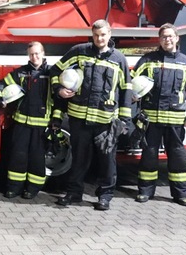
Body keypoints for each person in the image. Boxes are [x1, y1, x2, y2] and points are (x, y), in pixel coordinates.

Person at [51, 19, 132, 211]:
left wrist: (124, 120)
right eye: (96, 35)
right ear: (92, 34)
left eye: (103, 35)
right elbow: (56, 70)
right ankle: (74, 193)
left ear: (109, 35)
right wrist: (59, 88)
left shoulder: (119, 59)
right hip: (79, 118)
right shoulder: (79, 51)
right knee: (79, 159)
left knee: (107, 161)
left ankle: (105, 196)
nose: (99, 38)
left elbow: (125, 89)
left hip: (106, 121)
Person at [131, 23, 186, 206]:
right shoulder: (147, 60)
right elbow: (132, 83)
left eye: (170, 36)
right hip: (151, 120)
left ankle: (180, 195)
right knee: (149, 156)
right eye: (163, 37)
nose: (167, 40)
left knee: (178, 158)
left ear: (177, 38)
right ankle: (145, 191)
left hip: (176, 121)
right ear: (159, 39)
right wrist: (133, 96)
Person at [0, 41, 58, 199]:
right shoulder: (21, 73)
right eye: (31, 54)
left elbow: (59, 99)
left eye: (37, 53)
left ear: (43, 53)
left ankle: (33, 188)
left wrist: (56, 121)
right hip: (22, 123)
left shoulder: (53, 73)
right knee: (18, 156)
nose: (34, 57)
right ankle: (14, 187)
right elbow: (1, 86)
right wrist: (1, 99)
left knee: (36, 158)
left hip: (41, 125)